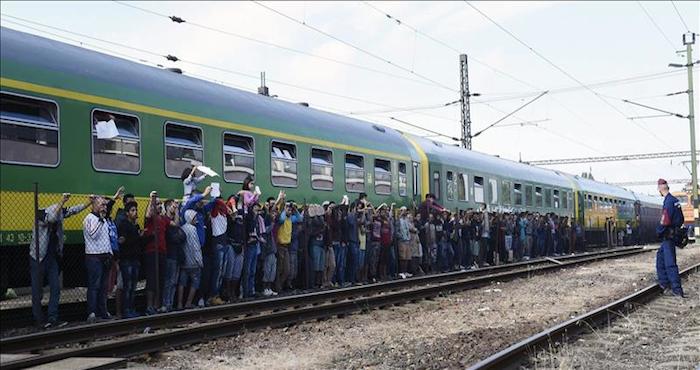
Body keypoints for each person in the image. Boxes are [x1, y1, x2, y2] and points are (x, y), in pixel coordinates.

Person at [30, 193, 90, 328]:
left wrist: (88, 203)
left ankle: (53, 318)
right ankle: (38, 320)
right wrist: (62, 201)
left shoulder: (59, 213)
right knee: (37, 290)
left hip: (52, 258)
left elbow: (73, 210)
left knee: (55, 288)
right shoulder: (41, 215)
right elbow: (51, 219)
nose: (60, 220)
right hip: (38, 257)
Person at [117, 201, 151, 318]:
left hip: (135, 258)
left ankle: (131, 308)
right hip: (127, 259)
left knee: (133, 286)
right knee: (128, 286)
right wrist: (138, 237)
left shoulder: (135, 226)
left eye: (136, 210)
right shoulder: (124, 225)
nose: (135, 212)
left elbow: (138, 242)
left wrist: (145, 237)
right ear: (127, 213)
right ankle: (126, 310)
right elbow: (124, 241)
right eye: (132, 210)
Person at [83, 196, 113, 323]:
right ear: (93, 205)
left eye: (105, 205)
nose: (104, 207)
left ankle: (103, 310)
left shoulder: (104, 220)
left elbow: (107, 238)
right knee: (94, 285)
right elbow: (93, 235)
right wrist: (100, 220)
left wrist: (110, 253)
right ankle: (92, 312)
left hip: (105, 256)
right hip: (94, 257)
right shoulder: (89, 219)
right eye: (101, 205)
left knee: (104, 286)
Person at [655, 178, 685, 298]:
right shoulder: (675, 200)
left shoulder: (668, 202)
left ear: (660, 189)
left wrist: (659, 231)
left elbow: (665, 220)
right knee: (660, 257)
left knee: (670, 263)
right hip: (673, 233)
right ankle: (664, 283)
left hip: (668, 235)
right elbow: (681, 218)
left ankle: (677, 290)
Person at [178, 209, 203, 309]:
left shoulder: (182, 228)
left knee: (182, 283)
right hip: (193, 262)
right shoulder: (193, 229)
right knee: (195, 282)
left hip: (184, 261)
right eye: (194, 217)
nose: (196, 219)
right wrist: (200, 261)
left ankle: (179, 303)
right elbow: (196, 246)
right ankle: (188, 303)